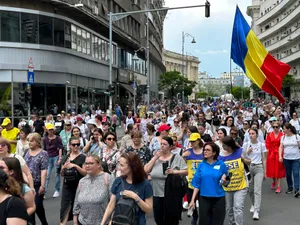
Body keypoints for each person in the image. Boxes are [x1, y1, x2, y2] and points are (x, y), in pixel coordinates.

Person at [101, 152, 153, 225]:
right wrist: (102, 223)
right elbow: (111, 205)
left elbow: (148, 209)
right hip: (119, 222)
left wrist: (135, 197)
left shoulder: (145, 184)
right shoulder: (118, 181)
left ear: (132, 166)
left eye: (122, 165)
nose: (119, 168)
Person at [144, 137, 188, 225]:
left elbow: (186, 172)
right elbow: (145, 170)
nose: (162, 146)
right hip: (156, 193)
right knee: (158, 218)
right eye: (161, 144)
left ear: (170, 146)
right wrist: (155, 157)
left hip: (171, 194)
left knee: (170, 219)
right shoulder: (156, 158)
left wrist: (174, 171)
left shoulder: (176, 158)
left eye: (165, 144)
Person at [189, 142, 228, 225]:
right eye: (204, 150)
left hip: (219, 198)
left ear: (214, 153)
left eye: (208, 150)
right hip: (204, 198)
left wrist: (224, 181)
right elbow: (197, 184)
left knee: (218, 222)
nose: (205, 152)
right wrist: (192, 200)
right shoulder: (201, 165)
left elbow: (226, 182)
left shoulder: (221, 165)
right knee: (204, 222)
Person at [73, 155, 114, 225]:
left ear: (98, 165)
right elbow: (76, 203)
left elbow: (113, 203)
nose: (88, 166)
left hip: (102, 222)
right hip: (82, 222)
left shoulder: (108, 179)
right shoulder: (82, 181)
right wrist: (75, 221)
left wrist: (111, 221)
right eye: (86, 163)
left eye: (91, 163)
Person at [219, 137, 249, 225]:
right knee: (229, 208)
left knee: (238, 207)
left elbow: (249, 161)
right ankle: (232, 223)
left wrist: (243, 159)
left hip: (241, 185)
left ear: (230, 145)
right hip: (227, 187)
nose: (223, 146)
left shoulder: (240, 151)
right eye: (222, 145)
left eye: (224, 145)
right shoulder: (220, 156)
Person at [60, 137, 86, 225]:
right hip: (67, 185)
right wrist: (63, 168)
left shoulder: (83, 157)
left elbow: (85, 173)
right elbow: (62, 174)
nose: (76, 146)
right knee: (65, 206)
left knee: (78, 208)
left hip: (79, 186)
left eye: (78, 144)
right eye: (74, 144)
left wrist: (75, 166)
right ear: (70, 145)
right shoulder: (66, 157)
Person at [24, 133, 49, 225]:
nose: (29, 143)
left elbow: (44, 170)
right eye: (28, 141)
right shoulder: (26, 152)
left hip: (37, 184)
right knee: (30, 206)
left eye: (32, 140)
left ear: (38, 142)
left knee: (37, 205)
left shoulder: (43, 153)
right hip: (27, 184)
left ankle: (44, 222)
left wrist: (43, 185)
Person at [242, 128, 267, 220]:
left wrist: (265, 172)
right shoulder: (246, 144)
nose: (251, 135)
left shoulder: (261, 145)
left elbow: (264, 159)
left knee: (257, 190)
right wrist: (247, 152)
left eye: (253, 133)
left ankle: (256, 210)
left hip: (258, 167)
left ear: (257, 134)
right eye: (250, 134)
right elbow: (242, 157)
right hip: (249, 168)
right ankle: (253, 204)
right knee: (251, 190)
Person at [182, 133, 204, 225]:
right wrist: (183, 157)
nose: (192, 143)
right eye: (191, 141)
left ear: (199, 141)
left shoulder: (204, 152)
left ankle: (203, 219)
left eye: (194, 141)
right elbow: (182, 166)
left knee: (203, 204)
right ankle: (195, 217)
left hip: (203, 183)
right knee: (192, 201)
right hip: (191, 181)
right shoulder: (188, 152)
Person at [278, 123, 300, 197]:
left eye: (284, 129)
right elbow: (281, 147)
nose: (283, 130)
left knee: (296, 173)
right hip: (286, 158)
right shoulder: (283, 137)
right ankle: (290, 187)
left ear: (289, 129)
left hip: (296, 158)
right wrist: (280, 156)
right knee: (288, 174)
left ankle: (297, 189)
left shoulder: (296, 137)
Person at [43, 123, 63, 198]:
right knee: (47, 175)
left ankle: (57, 190)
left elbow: (60, 148)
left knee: (56, 174)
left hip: (56, 156)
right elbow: (44, 149)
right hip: (48, 157)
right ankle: (44, 191)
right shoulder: (45, 139)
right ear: (47, 130)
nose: (51, 131)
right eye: (49, 130)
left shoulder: (57, 138)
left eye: (52, 130)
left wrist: (60, 158)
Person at [265, 121, 285, 193]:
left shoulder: (282, 135)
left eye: (277, 127)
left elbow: (283, 145)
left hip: (279, 153)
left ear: (279, 127)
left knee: (279, 169)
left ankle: (278, 186)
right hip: (271, 153)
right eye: (274, 127)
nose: (275, 128)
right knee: (272, 169)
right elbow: (267, 144)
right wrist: (267, 153)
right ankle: (274, 181)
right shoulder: (270, 135)